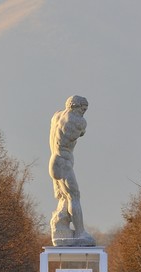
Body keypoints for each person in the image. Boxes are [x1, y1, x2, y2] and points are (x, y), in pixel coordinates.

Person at [48, 95, 95, 246]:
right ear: (75, 106)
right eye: (83, 109)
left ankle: (61, 226)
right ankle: (80, 232)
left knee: (64, 197)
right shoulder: (78, 121)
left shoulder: (56, 116)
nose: (84, 112)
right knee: (74, 195)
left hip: (54, 160)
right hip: (64, 162)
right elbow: (81, 132)